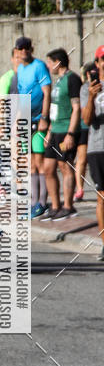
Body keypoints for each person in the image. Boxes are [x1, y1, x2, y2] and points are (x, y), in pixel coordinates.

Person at [39, 48, 81, 222]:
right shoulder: (58, 81)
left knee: (65, 167)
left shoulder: (72, 79)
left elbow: (76, 108)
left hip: (65, 130)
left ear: (58, 62)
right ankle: (55, 206)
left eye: (50, 62)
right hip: (55, 129)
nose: (48, 66)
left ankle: (68, 207)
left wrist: (71, 133)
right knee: (48, 168)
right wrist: (49, 132)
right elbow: (54, 109)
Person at [14, 37, 51, 218]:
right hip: (25, 120)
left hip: (38, 119)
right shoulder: (20, 69)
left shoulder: (39, 66)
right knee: (29, 164)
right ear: (17, 51)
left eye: (26, 48)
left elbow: (47, 92)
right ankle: (33, 201)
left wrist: (44, 117)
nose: (24, 51)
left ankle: (42, 202)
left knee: (39, 162)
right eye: (20, 48)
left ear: (31, 49)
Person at [80, 46, 104, 260]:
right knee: (102, 196)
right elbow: (87, 120)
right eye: (102, 59)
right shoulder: (87, 88)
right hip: (97, 147)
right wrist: (91, 97)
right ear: (97, 63)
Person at [74, 63, 91, 202]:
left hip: (98, 127)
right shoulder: (83, 88)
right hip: (84, 127)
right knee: (82, 159)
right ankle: (79, 189)